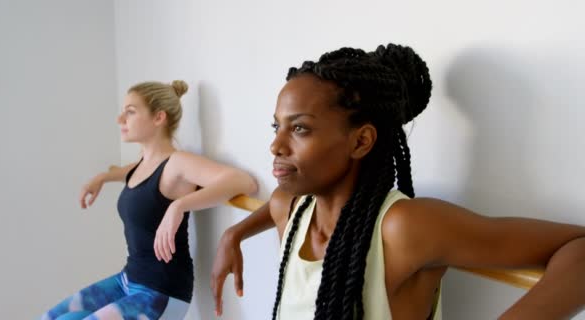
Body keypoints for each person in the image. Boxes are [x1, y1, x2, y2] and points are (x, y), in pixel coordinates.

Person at [210, 44, 585, 320]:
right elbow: (277, 200)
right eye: (277, 126)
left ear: (361, 141)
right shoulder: (289, 209)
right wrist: (234, 234)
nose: (276, 144)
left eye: (300, 128)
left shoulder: (402, 228)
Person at [41, 80, 258, 320]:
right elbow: (129, 172)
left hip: (161, 292)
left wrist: (179, 205)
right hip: (128, 280)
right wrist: (103, 177)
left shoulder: (177, 163)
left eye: (130, 112)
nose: (120, 119)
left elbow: (243, 181)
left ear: (158, 118)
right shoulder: (143, 164)